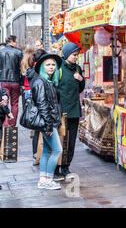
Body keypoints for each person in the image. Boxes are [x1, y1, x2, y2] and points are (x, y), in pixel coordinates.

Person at [26, 50, 63, 190]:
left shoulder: (48, 82)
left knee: (47, 151)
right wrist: (48, 126)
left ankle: (43, 180)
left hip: (50, 122)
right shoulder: (41, 82)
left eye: (53, 64)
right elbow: (42, 106)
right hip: (48, 123)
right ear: (42, 67)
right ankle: (49, 180)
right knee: (57, 150)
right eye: (48, 64)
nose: (51, 67)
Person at [56, 42, 85, 179]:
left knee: (71, 141)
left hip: (74, 111)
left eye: (77, 55)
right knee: (60, 139)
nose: (76, 57)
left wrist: (81, 80)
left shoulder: (78, 69)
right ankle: (56, 167)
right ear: (67, 54)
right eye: (74, 55)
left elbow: (80, 89)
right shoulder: (59, 67)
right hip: (61, 110)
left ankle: (66, 166)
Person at [21, 45, 39, 165]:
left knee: (29, 109)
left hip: (26, 88)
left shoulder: (23, 60)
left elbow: (22, 74)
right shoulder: (34, 61)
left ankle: (32, 126)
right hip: (32, 87)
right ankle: (34, 127)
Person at [0, 35, 24, 126]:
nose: (16, 43)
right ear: (12, 41)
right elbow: (22, 69)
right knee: (15, 104)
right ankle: (12, 125)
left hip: (3, 81)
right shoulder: (18, 53)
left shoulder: (0, 52)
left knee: (4, 102)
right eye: (16, 41)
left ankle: (5, 124)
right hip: (15, 81)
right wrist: (22, 83)